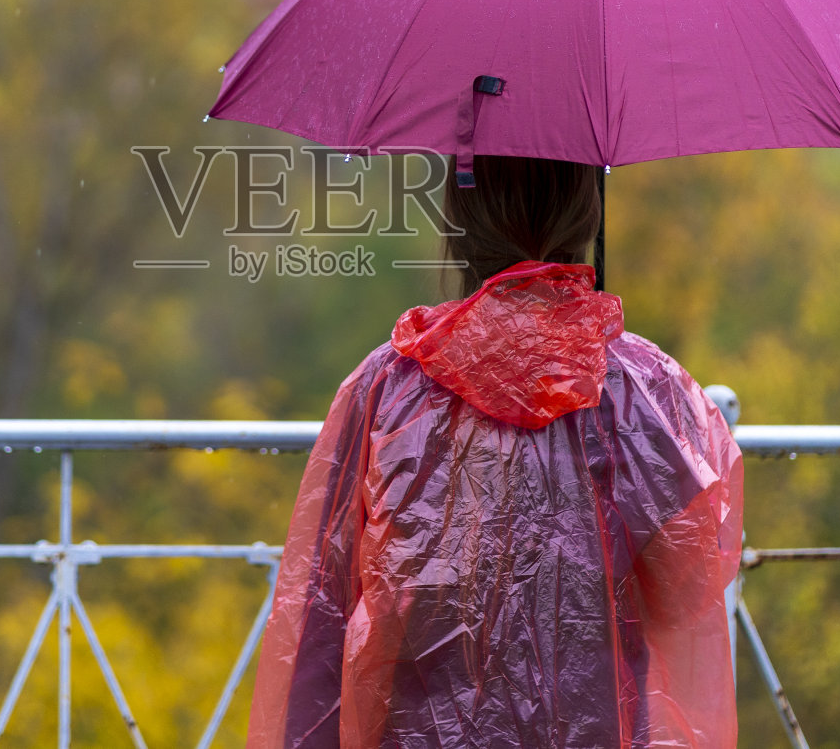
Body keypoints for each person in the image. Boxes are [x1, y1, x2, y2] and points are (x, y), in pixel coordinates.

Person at [247, 155, 744, 749]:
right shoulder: (640, 389)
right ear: (587, 215)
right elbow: (689, 585)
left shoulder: (387, 388)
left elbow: (320, 616)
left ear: (460, 220)